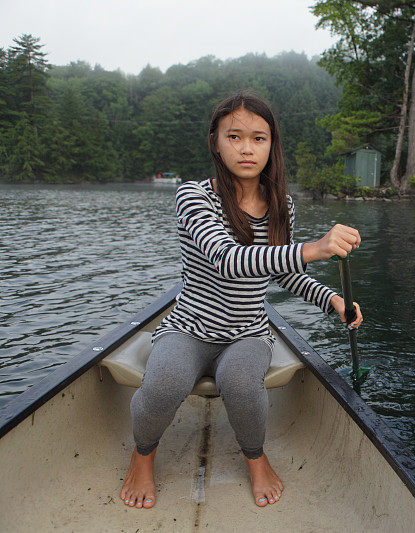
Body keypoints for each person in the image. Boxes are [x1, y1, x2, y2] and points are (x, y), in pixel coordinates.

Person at [119, 90, 363, 510]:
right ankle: (143, 455)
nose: (247, 148)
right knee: (164, 383)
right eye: (234, 136)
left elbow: (284, 271)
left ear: (272, 145)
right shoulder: (194, 196)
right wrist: (314, 248)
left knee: (242, 384)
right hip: (189, 327)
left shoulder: (280, 205)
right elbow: (228, 260)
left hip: (248, 331)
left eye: (259, 138)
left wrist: (333, 300)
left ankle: (255, 456)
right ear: (215, 141)